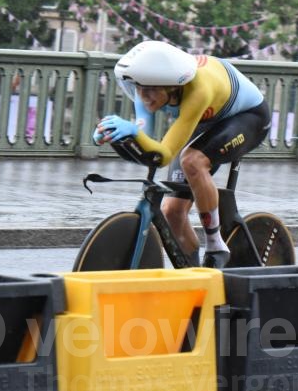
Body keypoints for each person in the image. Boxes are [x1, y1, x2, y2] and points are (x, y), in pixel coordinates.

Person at [93, 40, 270, 268]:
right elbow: (146, 144)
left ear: (171, 86)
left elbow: (164, 155)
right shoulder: (146, 86)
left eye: (150, 90)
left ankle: (216, 245)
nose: (144, 96)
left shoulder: (197, 91)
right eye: (139, 89)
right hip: (205, 119)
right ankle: (191, 271)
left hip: (249, 117)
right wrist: (114, 136)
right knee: (172, 212)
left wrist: (132, 133)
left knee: (193, 161)